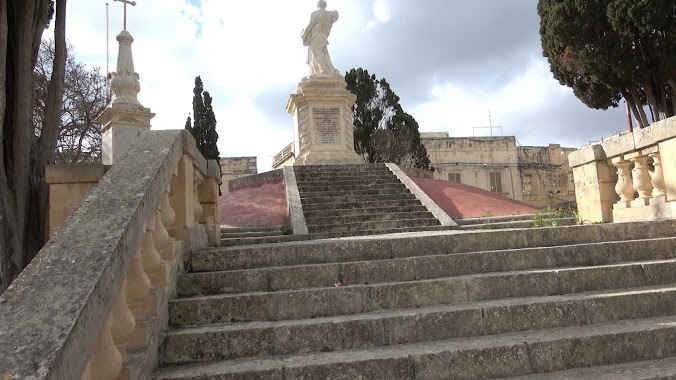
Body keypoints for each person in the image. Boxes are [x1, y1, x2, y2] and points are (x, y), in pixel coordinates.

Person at [301, 0, 340, 76]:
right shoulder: (329, 16)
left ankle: (326, 71)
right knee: (324, 54)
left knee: (317, 55)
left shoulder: (315, 13)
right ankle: (330, 70)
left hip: (314, 37)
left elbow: (310, 25)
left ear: (318, 5)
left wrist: (304, 35)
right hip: (323, 37)